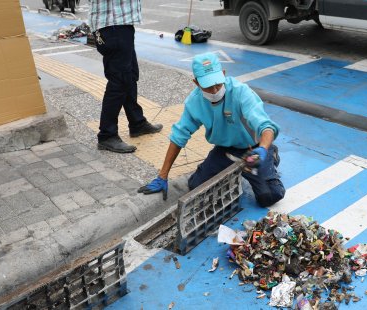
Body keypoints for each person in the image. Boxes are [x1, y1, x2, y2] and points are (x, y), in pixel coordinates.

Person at [138, 52, 285, 207]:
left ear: (223, 74)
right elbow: (179, 136)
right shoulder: (194, 102)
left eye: (218, 84)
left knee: (269, 196)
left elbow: (266, 126)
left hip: (254, 150)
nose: (214, 91)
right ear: (196, 83)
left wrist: (262, 148)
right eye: (208, 86)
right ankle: (237, 169)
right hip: (225, 150)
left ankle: (271, 154)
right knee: (196, 187)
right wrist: (163, 176)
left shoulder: (241, 92)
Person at [89, 0, 162, 153]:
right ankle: (107, 135)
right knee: (119, 81)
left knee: (130, 75)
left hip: (120, 24)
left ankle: (137, 123)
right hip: (112, 25)